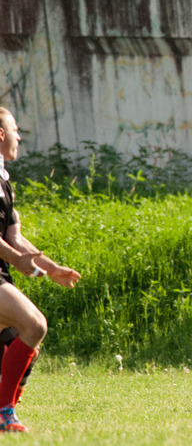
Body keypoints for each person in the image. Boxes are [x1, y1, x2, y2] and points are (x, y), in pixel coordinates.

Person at [0, 107, 81, 432]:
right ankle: (5, 412)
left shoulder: (4, 181)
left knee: (17, 340)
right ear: (0, 135)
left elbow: (14, 236)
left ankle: (5, 412)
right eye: (15, 129)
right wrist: (17, 260)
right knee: (34, 326)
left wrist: (50, 268)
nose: (20, 136)